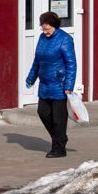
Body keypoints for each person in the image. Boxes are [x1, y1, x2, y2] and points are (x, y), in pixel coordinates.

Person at [24, 11, 77, 159]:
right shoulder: (42, 38)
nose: (45, 32)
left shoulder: (65, 39)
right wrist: (31, 78)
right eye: (43, 29)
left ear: (55, 26)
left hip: (60, 84)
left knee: (58, 119)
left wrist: (69, 85)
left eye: (48, 29)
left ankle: (59, 148)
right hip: (45, 84)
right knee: (43, 112)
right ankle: (60, 139)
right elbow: (37, 61)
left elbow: (71, 64)